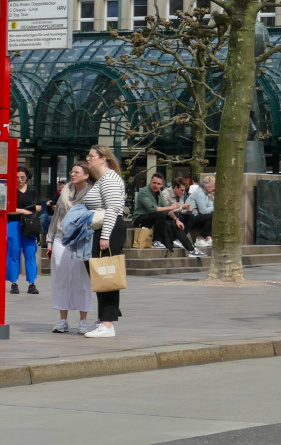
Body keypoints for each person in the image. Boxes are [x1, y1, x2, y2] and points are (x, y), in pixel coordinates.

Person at [44, 162, 95, 334]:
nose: (73, 175)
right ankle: (62, 320)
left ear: (86, 175)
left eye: (77, 172)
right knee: (61, 277)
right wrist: (49, 240)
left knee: (82, 279)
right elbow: (57, 214)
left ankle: (83, 321)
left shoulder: (92, 192)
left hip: (81, 238)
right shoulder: (65, 190)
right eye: (72, 172)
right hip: (60, 235)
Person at [82, 144, 126, 339]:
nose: (88, 158)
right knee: (101, 277)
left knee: (106, 277)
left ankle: (107, 323)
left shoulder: (109, 179)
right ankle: (103, 319)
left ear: (103, 158)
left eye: (91, 155)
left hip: (106, 231)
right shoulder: (102, 180)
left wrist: (105, 236)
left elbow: (113, 209)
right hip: (100, 231)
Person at [134, 172, 202, 257]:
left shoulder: (158, 192)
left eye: (158, 184)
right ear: (150, 182)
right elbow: (153, 209)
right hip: (140, 219)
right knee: (161, 214)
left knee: (174, 222)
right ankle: (156, 241)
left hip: (153, 217)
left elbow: (167, 208)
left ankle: (191, 249)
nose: (156, 185)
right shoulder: (144, 192)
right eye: (154, 183)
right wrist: (171, 208)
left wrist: (176, 220)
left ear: (162, 184)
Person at [6, 167, 42, 295]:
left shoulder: (32, 190)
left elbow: (38, 207)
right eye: (16, 177)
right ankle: (13, 282)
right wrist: (22, 210)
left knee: (30, 252)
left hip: (29, 224)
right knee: (13, 252)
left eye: (22, 177)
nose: (19, 180)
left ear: (27, 177)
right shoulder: (9, 189)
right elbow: (6, 209)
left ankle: (32, 283)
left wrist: (30, 209)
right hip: (13, 223)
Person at [185, 173, 215, 247]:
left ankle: (208, 238)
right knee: (212, 216)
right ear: (207, 187)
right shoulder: (200, 194)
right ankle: (200, 238)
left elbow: (210, 207)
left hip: (198, 216)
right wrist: (216, 208)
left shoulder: (205, 194)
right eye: (213, 187)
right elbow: (203, 211)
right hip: (192, 217)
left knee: (212, 216)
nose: (214, 189)